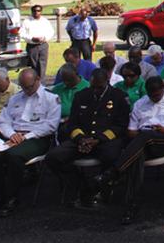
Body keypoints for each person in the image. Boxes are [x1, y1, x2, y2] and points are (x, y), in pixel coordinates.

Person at [95, 77, 164, 224]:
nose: (154, 98)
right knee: (136, 157)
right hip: (142, 142)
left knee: (145, 137)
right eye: (151, 95)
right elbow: (131, 131)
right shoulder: (141, 103)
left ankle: (113, 173)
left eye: (157, 95)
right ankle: (131, 207)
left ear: (162, 89)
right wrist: (141, 133)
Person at [46, 68, 130, 207]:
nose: (95, 90)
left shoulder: (119, 97)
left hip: (105, 140)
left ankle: (103, 189)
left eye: (99, 87)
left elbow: (121, 125)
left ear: (107, 82)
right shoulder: (81, 96)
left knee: (111, 156)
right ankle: (81, 184)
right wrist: (81, 139)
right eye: (93, 87)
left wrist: (98, 139)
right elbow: (72, 123)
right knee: (53, 157)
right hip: (82, 139)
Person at [0, 68, 60, 217]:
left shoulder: (51, 98)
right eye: (23, 87)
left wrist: (26, 137)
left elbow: (50, 125)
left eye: (29, 87)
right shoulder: (16, 98)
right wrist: (12, 134)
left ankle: (12, 198)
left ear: (38, 80)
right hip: (12, 135)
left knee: (14, 156)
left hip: (36, 137)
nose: (26, 90)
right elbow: (4, 121)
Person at [49, 64, 90, 136]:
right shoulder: (57, 89)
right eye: (64, 80)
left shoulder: (88, 87)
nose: (66, 83)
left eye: (69, 80)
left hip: (79, 125)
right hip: (56, 123)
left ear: (77, 74)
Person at [20, 5, 54, 82]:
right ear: (32, 12)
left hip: (43, 45)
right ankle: (34, 82)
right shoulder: (27, 21)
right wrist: (31, 38)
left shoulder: (45, 21)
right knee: (34, 65)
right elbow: (22, 33)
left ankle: (42, 83)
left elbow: (51, 32)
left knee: (42, 64)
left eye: (38, 11)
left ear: (41, 12)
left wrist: (44, 38)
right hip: (32, 46)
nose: (36, 12)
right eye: (34, 11)